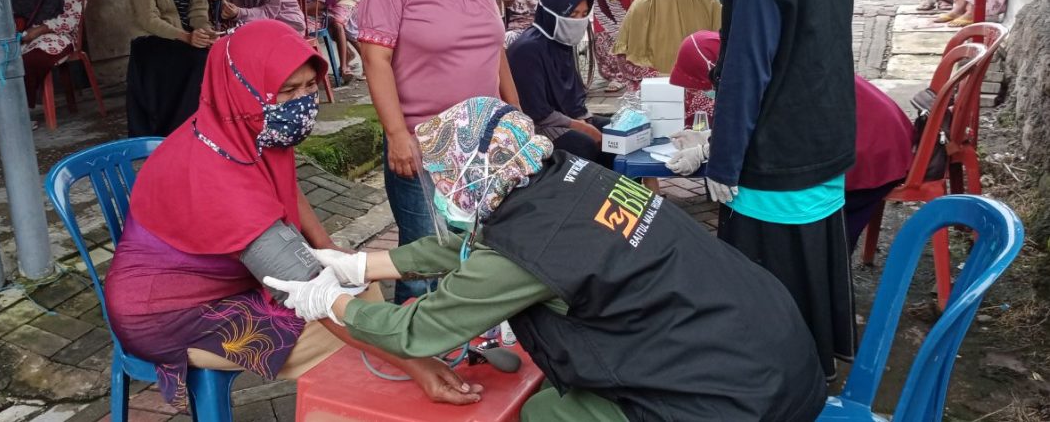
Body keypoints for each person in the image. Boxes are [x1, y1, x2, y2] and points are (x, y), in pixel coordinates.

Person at [264, 96, 829, 422]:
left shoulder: (524, 245)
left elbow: (418, 331)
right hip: (778, 352)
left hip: (739, 402)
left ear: (470, 173)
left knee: (541, 415)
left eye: (443, 178)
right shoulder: (560, 178)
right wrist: (360, 266)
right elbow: (473, 246)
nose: (441, 192)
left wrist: (330, 302)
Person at [105, 21, 483, 412]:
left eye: (308, 87)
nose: (301, 102)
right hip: (170, 313)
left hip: (222, 281)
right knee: (334, 332)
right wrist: (416, 365)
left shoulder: (244, 125)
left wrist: (330, 249)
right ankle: (348, 409)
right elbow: (306, 290)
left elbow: (286, 187)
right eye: (286, 90)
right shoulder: (213, 175)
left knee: (359, 287)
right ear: (242, 86)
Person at [709, 0, 858, 380]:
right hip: (828, 127)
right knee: (815, 252)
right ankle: (820, 361)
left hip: (777, 145)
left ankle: (776, 381)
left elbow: (748, 66)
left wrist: (723, 161)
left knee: (769, 273)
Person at [357, 0, 520, 303]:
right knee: (425, 259)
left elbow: (494, 48)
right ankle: (418, 357)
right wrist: (396, 135)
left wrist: (515, 113)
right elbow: (375, 56)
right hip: (424, 145)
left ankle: (472, 350)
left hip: (486, 142)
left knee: (482, 253)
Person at [668, 33, 914, 254]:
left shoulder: (764, 75)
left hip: (875, 151)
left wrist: (707, 149)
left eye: (708, 84)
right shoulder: (763, 57)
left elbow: (764, 130)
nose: (710, 92)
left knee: (815, 230)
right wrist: (710, 137)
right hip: (879, 134)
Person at [126, 0, 217, 138]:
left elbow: (197, 7)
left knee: (216, 54)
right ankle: (176, 129)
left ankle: (205, 124)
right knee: (197, 60)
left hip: (186, 37)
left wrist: (203, 30)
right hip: (151, 41)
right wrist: (186, 37)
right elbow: (147, 18)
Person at [507, 0, 611, 166]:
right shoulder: (527, 50)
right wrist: (582, 126)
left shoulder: (561, 42)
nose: (579, 21)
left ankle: (617, 190)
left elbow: (572, 101)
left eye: (584, 14)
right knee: (584, 144)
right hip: (536, 125)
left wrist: (585, 121)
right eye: (572, 15)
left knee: (616, 133)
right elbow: (537, 112)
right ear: (551, 13)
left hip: (563, 116)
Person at [8, 0, 86, 109]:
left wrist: (40, 30)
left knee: (29, 60)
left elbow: (71, 18)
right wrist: (18, 28)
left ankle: (21, 112)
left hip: (59, 35)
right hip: (23, 36)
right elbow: (13, 12)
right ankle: (1, 111)